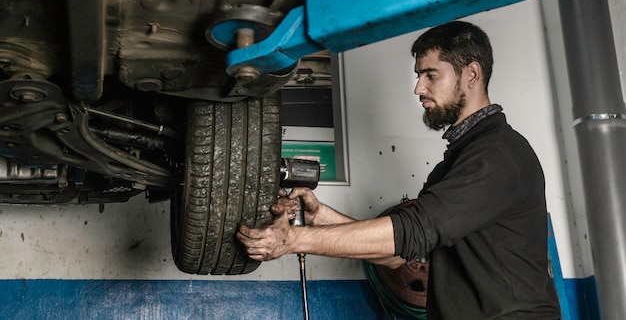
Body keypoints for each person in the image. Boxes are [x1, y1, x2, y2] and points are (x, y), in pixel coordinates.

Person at [237, 21, 561, 319]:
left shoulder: (498, 154)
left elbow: (411, 232)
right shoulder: (454, 164)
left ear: (471, 74)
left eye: (431, 75)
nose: (418, 88)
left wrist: (293, 239)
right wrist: (323, 218)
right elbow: (401, 255)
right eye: (418, 75)